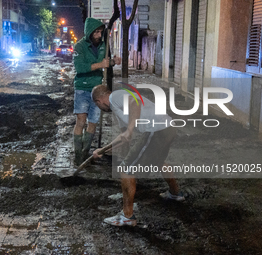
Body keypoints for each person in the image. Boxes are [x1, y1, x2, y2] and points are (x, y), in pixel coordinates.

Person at [91, 85, 185, 227]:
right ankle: (176, 193)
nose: (101, 108)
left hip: (157, 130)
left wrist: (129, 130)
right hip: (168, 128)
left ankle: (127, 216)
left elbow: (134, 102)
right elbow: (123, 138)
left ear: (98, 101)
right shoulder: (118, 110)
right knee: (158, 162)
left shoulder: (114, 97)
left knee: (126, 170)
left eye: (98, 105)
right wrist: (102, 151)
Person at [73, 17, 121, 165]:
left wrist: (113, 62)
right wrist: (100, 64)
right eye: (97, 32)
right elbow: (80, 67)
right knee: (81, 121)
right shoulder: (79, 47)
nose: (99, 35)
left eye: (101, 32)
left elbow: (105, 63)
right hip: (82, 88)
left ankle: (86, 154)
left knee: (93, 122)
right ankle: (77, 155)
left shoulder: (103, 46)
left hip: (97, 89)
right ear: (89, 32)